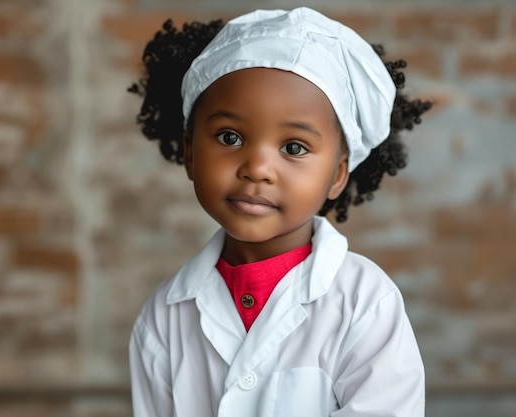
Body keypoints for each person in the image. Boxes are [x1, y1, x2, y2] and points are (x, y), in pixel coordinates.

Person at [127, 7, 432, 417]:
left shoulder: (366, 304)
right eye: (230, 137)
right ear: (189, 151)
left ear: (338, 174)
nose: (257, 167)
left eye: (293, 147)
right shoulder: (162, 317)